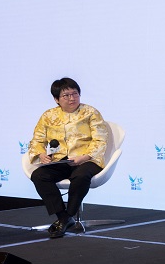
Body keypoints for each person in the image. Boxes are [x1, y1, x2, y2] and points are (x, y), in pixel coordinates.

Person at [27, 78, 109, 238]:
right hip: (61, 160)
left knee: (81, 175)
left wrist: (84, 157)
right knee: (39, 175)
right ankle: (63, 217)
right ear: (56, 99)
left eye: (75, 94)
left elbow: (101, 140)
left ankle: (68, 215)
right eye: (66, 95)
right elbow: (37, 140)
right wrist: (41, 154)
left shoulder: (91, 112)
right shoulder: (48, 116)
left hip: (88, 159)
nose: (72, 98)